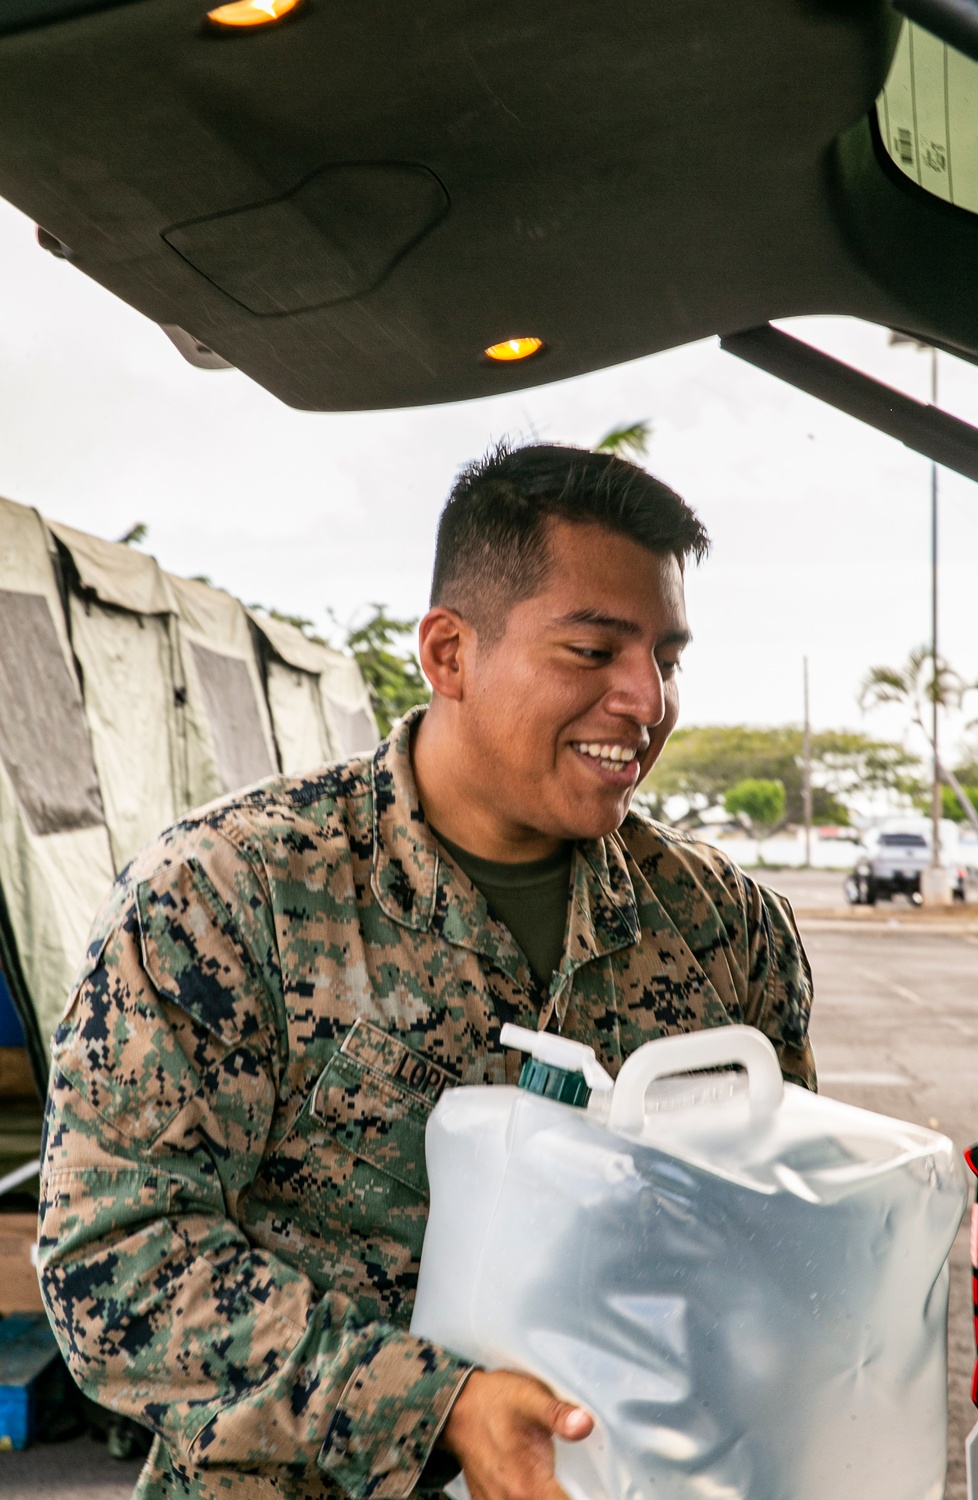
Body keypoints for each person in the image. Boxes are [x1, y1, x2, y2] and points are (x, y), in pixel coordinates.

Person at [39, 443, 815, 1500]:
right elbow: (112, 1264)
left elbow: (781, 1233)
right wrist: (434, 1406)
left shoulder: (724, 927)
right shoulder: (226, 896)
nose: (645, 699)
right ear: (449, 654)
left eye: (667, 658)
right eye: (592, 651)